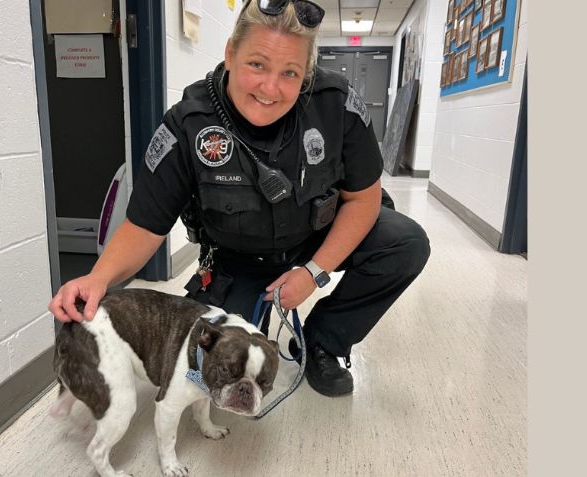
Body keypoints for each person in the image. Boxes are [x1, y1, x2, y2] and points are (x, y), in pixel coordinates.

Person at [49, 0, 431, 397]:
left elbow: (364, 201)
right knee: (210, 371)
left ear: (307, 74)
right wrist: (98, 278)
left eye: (290, 73)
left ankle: (322, 341)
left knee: (404, 243)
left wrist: (315, 271)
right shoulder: (188, 125)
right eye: (257, 65)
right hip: (238, 258)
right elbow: (145, 225)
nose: (270, 88)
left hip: (316, 237)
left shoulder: (336, 105)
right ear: (231, 53)